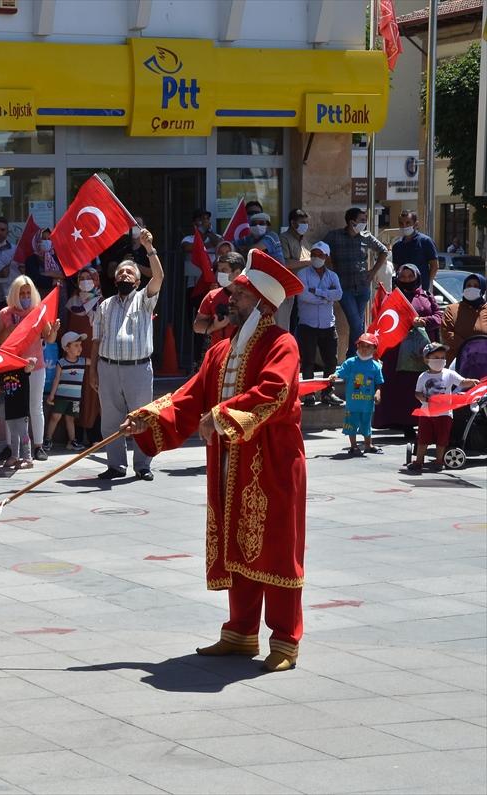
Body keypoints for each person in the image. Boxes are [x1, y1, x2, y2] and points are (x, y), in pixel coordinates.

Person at [122, 250, 307, 673]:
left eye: (238, 296)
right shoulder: (221, 350)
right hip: (230, 460)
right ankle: (241, 632)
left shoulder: (283, 344)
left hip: (273, 462)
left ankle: (284, 640)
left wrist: (221, 416)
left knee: (276, 546)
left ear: (261, 302)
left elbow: (274, 393)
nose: (229, 301)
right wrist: (148, 418)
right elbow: (189, 397)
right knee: (236, 539)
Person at [89, 228, 164, 480]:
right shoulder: (105, 305)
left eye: (129, 272)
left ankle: (142, 465)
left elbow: (159, 277)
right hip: (108, 368)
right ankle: (116, 465)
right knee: (110, 420)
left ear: (137, 280)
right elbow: (96, 341)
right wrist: (93, 370)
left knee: (142, 417)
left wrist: (149, 249)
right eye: (120, 271)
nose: (123, 275)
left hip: (138, 369)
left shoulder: (144, 299)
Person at [0, 275, 60, 461]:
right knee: (12, 408)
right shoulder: (5, 314)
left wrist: (54, 329)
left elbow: (49, 338)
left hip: (35, 366)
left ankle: (38, 446)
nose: (25, 296)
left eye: (28, 293)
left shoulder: (38, 312)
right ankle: (10, 447)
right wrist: (13, 328)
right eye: (21, 293)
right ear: (15, 294)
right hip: (12, 367)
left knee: (35, 406)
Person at [372, 263, 441, 429]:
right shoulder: (392, 297)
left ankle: (421, 422)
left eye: (410, 276)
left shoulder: (426, 296)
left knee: (418, 385)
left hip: (421, 352)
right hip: (396, 351)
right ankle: (397, 421)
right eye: (403, 277)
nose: (407, 279)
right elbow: (385, 319)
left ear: (417, 277)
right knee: (398, 387)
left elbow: (439, 316)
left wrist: (424, 321)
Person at [322, 207, 389, 357]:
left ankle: (352, 356)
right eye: (362, 220)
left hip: (363, 288)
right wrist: (329, 271)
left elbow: (384, 251)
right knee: (357, 324)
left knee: (357, 324)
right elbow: (319, 250)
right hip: (344, 288)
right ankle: (357, 356)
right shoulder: (335, 236)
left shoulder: (366, 236)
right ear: (352, 222)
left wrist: (373, 272)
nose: (365, 223)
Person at [410, 342, 480, 471]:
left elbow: (462, 382)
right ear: (427, 360)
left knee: (442, 439)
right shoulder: (423, 376)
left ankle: (438, 460)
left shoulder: (449, 374)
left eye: (442, 357)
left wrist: (471, 382)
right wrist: (425, 399)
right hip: (427, 413)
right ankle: (419, 461)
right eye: (436, 357)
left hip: (444, 414)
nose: (440, 360)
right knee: (423, 438)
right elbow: (417, 393)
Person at [295, 242, 344, 407]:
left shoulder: (333, 276)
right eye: (314, 254)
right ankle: (308, 394)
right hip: (307, 325)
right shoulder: (302, 274)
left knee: (331, 361)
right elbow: (303, 296)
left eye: (320, 255)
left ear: (326, 257)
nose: (316, 257)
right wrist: (326, 297)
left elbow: (338, 294)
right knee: (308, 360)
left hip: (328, 325)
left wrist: (318, 292)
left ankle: (327, 393)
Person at [64, 268, 102, 443]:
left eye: (89, 278)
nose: (85, 281)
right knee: (76, 393)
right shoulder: (72, 303)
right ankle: (76, 435)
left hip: (94, 355)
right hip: (74, 357)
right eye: (82, 278)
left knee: (93, 394)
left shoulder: (103, 303)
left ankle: (95, 434)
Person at [332, 334, 385, 455]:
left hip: (367, 403)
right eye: (362, 345)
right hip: (352, 403)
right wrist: (335, 375)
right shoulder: (351, 363)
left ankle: (368, 445)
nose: (364, 349)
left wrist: (378, 393)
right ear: (357, 346)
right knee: (351, 424)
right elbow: (340, 371)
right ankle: (354, 446)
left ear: (374, 349)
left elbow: (378, 383)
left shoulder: (376, 366)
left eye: (368, 346)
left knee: (367, 424)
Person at [44, 332, 88, 452]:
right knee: (55, 417)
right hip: (61, 396)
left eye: (80, 345)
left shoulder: (83, 361)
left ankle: (72, 441)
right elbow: (56, 379)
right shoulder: (61, 362)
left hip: (75, 398)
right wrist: (52, 395)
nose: (80, 348)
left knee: (70, 419)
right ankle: (48, 439)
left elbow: (96, 362)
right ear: (66, 348)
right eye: (76, 345)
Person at [194, 251, 246, 351]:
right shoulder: (212, 296)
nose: (219, 274)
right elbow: (197, 326)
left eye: (224, 270)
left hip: (244, 355)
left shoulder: (252, 297)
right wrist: (213, 326)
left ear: (237, 273)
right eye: (219, 270)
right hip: (219, 354)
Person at [440, 273, 487, 379]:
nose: (471, 288)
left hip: (484, 363)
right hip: (458, 364)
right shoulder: (452, 309)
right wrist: (468, 349)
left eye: (476, 286)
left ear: (483, 289)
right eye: (469, 285)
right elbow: (447, 333)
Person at [275, 208, 312, 329]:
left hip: (306, 289)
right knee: (291, 323)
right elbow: (285, 263)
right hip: (291, 290)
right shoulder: (284, 238)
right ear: (292, 223)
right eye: (302, 222)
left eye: (307, 222)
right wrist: (308, 262)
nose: (305, 225)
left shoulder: (304, 240)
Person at [0, 362, 36, 470]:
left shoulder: (21, 369)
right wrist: (0, 388)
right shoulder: (4, 372)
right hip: (10, 409)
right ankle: (15, 456)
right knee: (13, 434)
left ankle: (28, 458)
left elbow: (30, 367)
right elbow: (6, 385)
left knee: (23, 434)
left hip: (21, 409)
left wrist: (30, 363)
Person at [391, 210, 440, 291]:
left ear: (415, 224)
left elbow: (434, 265)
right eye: (401, 223)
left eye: (408, 223)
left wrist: (427, 283)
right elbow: (397, 268)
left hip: (420, 290)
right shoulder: (397, 246)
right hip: (403, 290)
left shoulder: (425, 241)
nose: (404, 226)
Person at [24, 227, 64, 297]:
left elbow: (65, 274)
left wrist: (47, 273)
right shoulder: (31, 259)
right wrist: (54, 280)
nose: (47, 241)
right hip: (41, 298)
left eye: (49, 239)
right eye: (43, 239)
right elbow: (36, 280)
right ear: (37, 240)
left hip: (60, 296)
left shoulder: (57, 257)